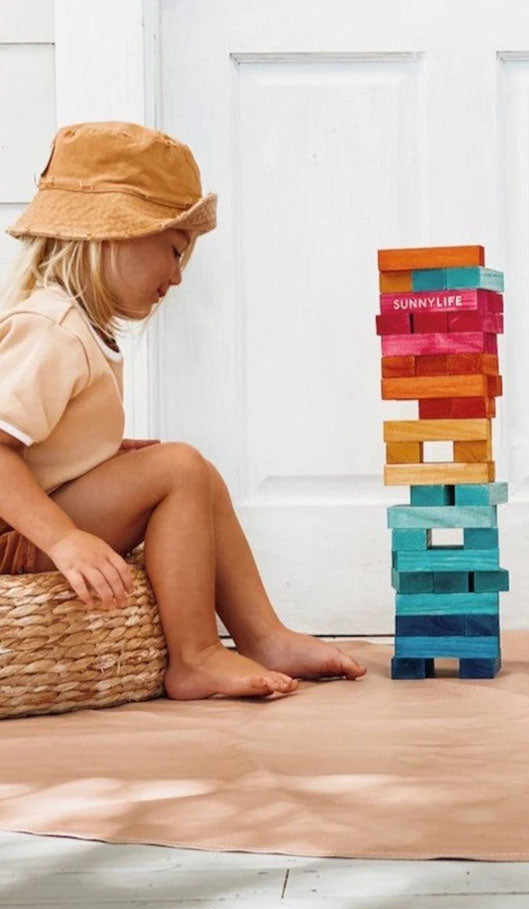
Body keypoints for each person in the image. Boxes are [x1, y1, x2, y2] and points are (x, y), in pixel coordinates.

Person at [0, 122, 365, 699]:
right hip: (15, 537)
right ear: (113, 236)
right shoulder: (51, 328)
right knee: (179, 468)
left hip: (27, 519)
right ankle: (193, 657)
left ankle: (263, 634)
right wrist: (65, 540)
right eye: (173, 252)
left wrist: (104, 458)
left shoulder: (77, 328)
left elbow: (41, 446)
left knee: (196, 474)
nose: (176, 276)